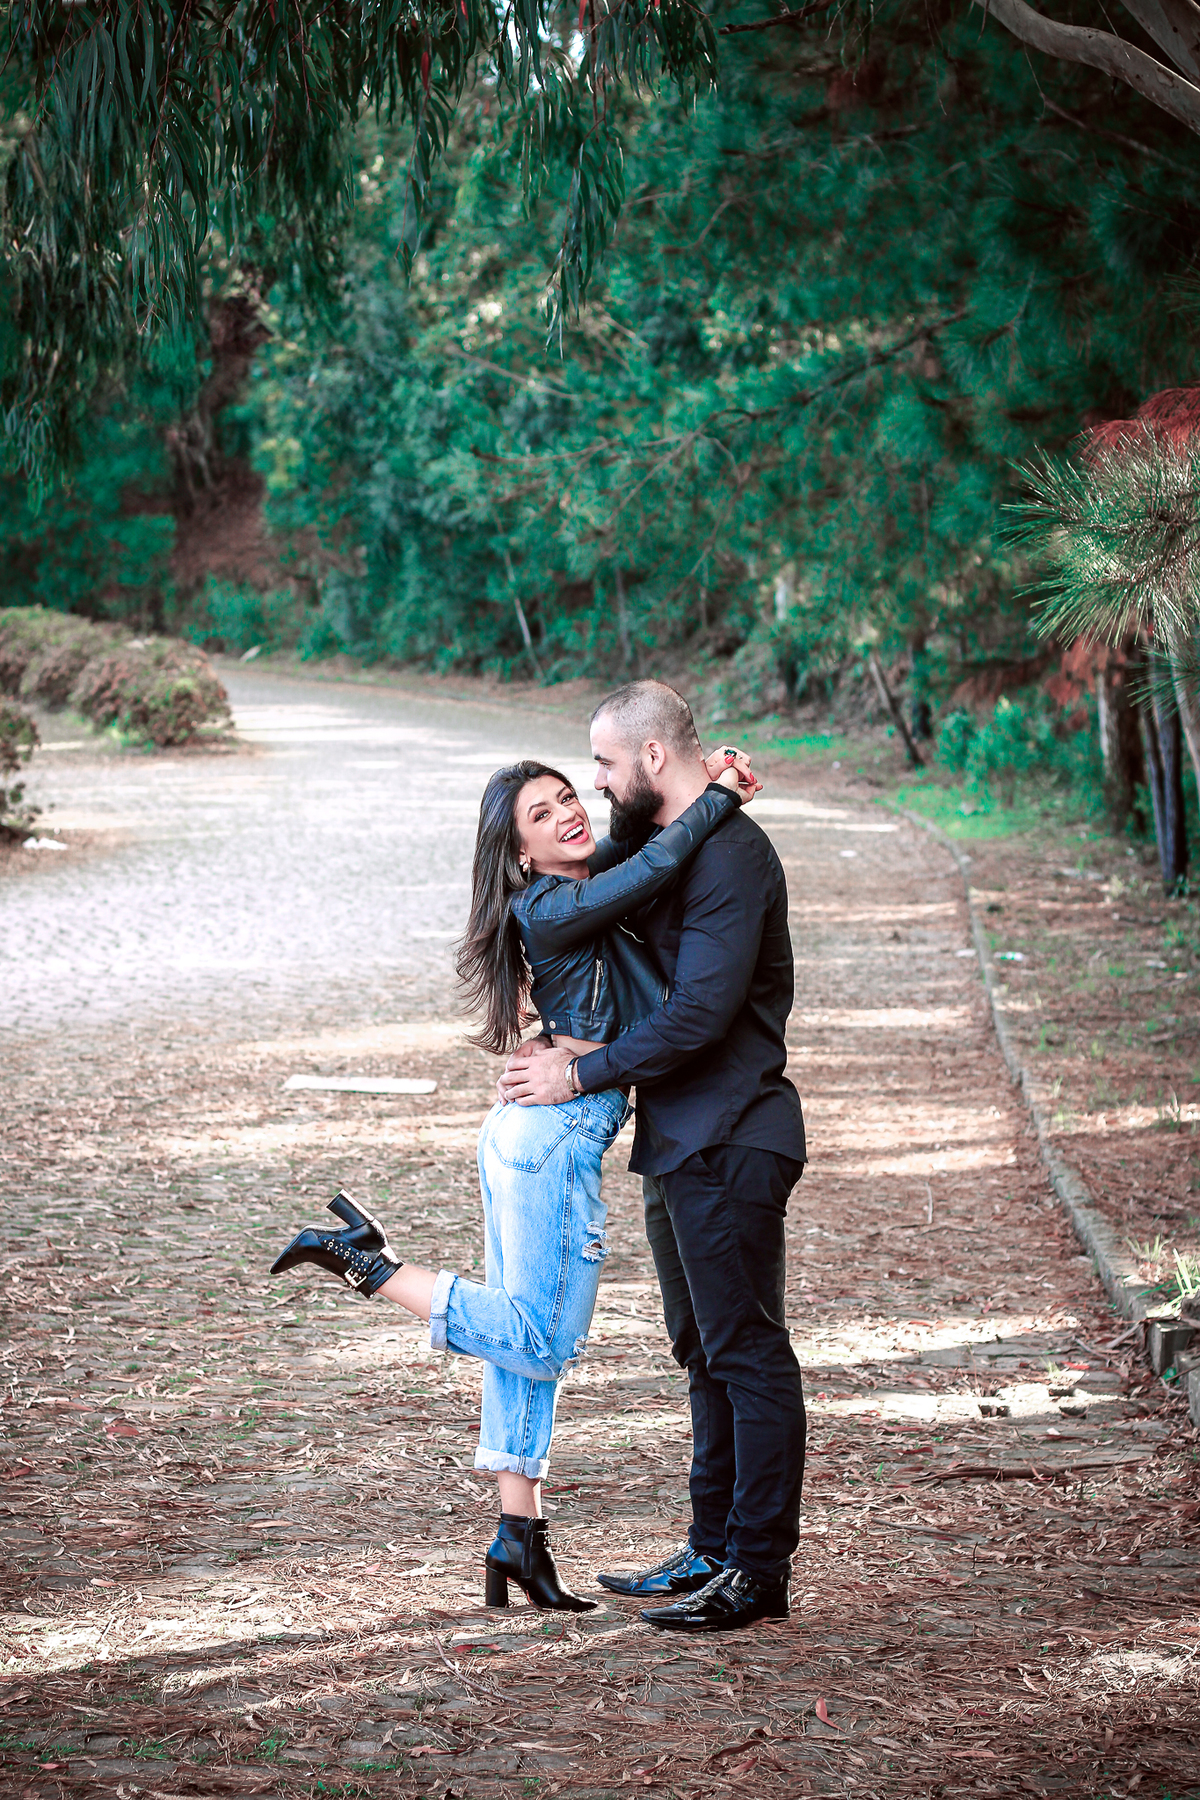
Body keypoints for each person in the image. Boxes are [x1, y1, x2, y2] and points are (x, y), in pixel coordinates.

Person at [270, 750, 754, 1612]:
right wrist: (719, 795)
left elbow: (641, 845)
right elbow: (657, 862)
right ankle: (369, 1265)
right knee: (541, 1340)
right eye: (543, 814)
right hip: (553, 1136)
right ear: (521, 852)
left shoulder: (576, 883)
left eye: (569, 796)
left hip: (532, 1131)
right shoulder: (554, 903)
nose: (569, 812)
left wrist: (690, 784)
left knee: (517, 1341)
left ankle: (518, 1537)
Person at [498, 680, 807, 1634]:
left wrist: (577, 1075)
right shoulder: (663, 843)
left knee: (748, 1352)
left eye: (602, 764)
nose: (594, 785)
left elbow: (699, 1015)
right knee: (702, 1351)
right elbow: (607, 881)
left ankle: (758, 1570)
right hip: (679, 1138)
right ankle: (712, 1546)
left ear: (653, 758)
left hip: (732, 1132)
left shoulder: (733, 859)